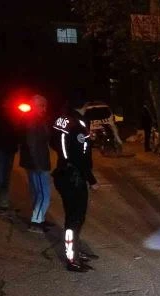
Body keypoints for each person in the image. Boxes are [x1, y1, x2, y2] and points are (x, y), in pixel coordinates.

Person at [50, 91, 100, 272]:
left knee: (75, 217)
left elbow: (54, 142)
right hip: (73, 177)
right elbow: (80, 158)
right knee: (75, 218)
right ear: (83, 105)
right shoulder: (77, 125)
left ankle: (75, 250)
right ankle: (72, 259)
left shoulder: (62, 119)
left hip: (63, 173)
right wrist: (91, 180)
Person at [19, 95, 52, 233]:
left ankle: (39, 218)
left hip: (35, 162)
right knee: (44, 194)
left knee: (38, 192)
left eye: (45, 106)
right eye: (41, 106)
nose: (44, 109)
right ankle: (36, 221)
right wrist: (37, 164)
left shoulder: (34, 119)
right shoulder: (33, 121)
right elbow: (31, 144)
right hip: (38, 163)